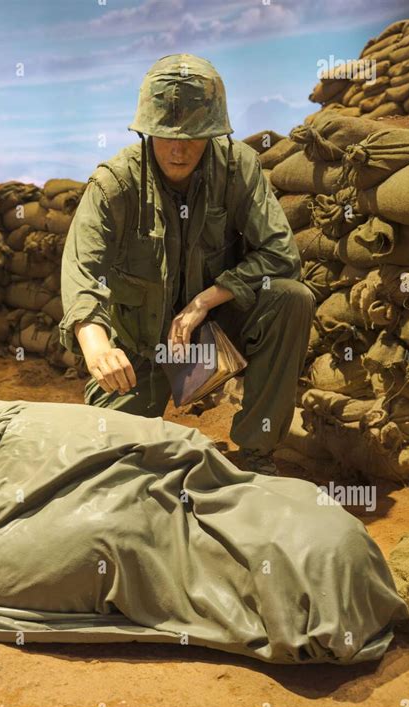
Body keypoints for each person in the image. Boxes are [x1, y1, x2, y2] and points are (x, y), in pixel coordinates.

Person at [59, 53, 316, 476]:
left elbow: (281, 254)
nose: (178, 149)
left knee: (291, 298)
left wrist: (205, 301)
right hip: (142, 346)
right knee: (109, 461)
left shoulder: (237, 167)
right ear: (146, 132)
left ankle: (257, 449)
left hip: (216, 327)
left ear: (213, 132)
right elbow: (83, 270)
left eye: (194, 135)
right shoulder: (114, 185)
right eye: (165, 135)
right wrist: (95, 344)